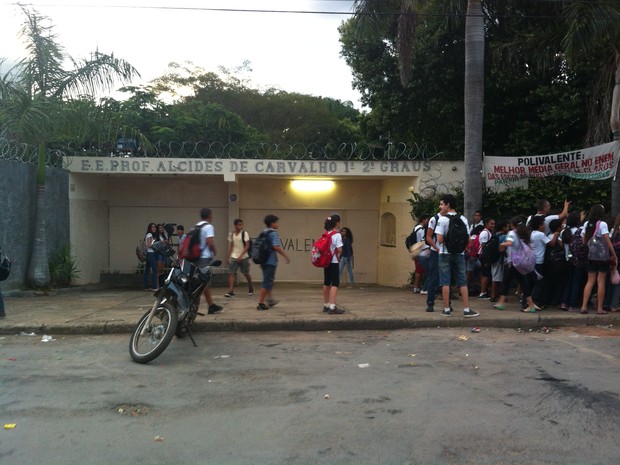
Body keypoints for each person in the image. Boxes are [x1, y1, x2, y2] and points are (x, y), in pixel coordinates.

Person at [434, 194, 479, 318]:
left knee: (445, 282)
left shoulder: (442, 220)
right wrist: (462, 248)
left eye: (442, 204)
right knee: (462, 282)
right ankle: (466, 309)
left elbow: (440, 239)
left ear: (448, 205)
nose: (440, 206)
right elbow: (468, 239)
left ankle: (446, 309)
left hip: (444, 253)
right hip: (459, 254)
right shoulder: (463, 219)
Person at [493, 216, 539, 313]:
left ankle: (529, 305)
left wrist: (502, 245)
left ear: (512, 225)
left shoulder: (512, 233)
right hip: (520, 262)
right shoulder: (524, 234)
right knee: (519, 282)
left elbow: (510, 242)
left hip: (514, 262)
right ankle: (530, 304)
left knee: (508, 281)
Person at [579, 204, 617, 315]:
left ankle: (584, 306)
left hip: (591, 256)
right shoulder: (602, 224)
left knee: (590, 281)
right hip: (602, 257)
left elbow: (583, 241)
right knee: (601, 281)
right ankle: (600, 308)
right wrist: (613, 254)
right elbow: (608, 241)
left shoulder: (587, 224)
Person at [257, 214, 290, 311]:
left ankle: (270, 299)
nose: (278, 224)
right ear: (272, 223)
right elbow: (276, 247)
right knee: (267, 282)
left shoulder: (263, 232)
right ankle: (260, 303)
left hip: (263, 261)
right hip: (270, 261)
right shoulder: (273, 233)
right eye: (276, 222)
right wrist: (285, 256)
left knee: (268, 281)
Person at [194, 208, 222, 315]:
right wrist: (214, 251)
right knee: (203, 283)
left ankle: (210, 305)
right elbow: (210, 243)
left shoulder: (197, 226)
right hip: (204, 257)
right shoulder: (209, 226)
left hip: (196, 257)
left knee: (202, 282)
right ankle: (209, 306)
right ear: (209, 215)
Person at [225, 218, 254, 297]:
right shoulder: (231, 234)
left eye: (242, 224)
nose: (241, 226)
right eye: (239, 225)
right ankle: (231, 291)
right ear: (235, 225)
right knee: (231, 273)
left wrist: (241, 255)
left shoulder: (245, 233)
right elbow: (231, 246)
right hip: (234, 256)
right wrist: (228, 257)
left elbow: (247, 245)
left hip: (244, 257)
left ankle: (250, 287)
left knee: (245, 273)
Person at [321, 215, 344, 314]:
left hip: (326, 261)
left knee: (326, 282)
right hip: (333, 261)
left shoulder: (326, 233)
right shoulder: (337, 235)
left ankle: (326, 305)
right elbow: (339, 249)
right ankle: (332, 306)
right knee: (335, 283)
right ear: (337, 223)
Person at [424, 212, 441, 312]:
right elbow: (428, 237)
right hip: (436, 252)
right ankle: (430, 302)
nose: (440, 206)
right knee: (433, 277)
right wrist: (437, 248)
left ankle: (447, 303)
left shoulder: (451, 218)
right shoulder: (434, 219)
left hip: (445, 252)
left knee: (445, 277)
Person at [477, 218, 495, 299]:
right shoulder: (485, 233)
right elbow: (484, 246)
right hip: (484, 256)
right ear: (486, 224)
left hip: (486, 255)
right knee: (486, 274)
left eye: (494, 224)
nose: (493, 225)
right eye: (491, 223)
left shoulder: (488, 232)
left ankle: (484, 291)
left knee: (485, 274)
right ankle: (482, 292)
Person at [411, 216, 429, 293]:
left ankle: (417, 286)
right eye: (427, 220)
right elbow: (422, 240)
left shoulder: (416, 228)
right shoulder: (421, 229)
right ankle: (417, 287)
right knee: (420, 270)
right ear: (423, 220)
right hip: (421, 251)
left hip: (417, 251)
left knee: (419, 270)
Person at [143, 223, 158, 291]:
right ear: (150, 228)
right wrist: (156, 246)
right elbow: (149, 245)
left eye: (155, 227)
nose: (154, 228)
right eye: (152, 227)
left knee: (147, 271)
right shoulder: (150, 235)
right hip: (151, 253)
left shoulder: (148, 234)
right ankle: (154, 287)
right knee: (155, 270)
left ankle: (146, 287)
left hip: (148, 253)